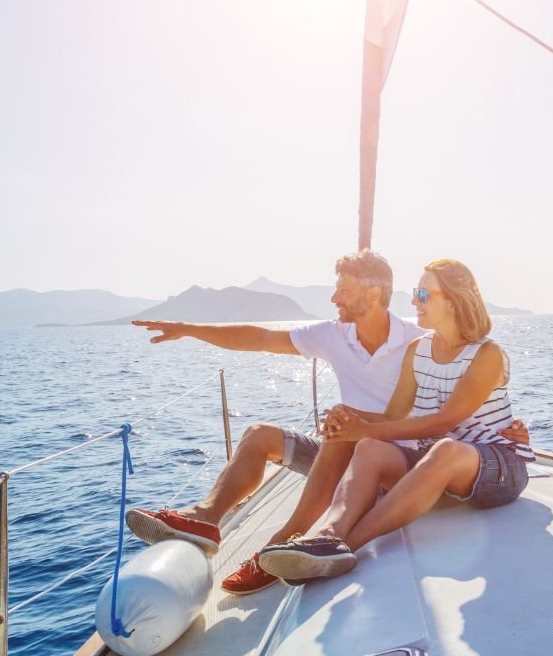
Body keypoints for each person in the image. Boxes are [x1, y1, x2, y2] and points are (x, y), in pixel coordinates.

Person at [128, 250, 424, 594]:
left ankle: (282, 543)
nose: (334, 298)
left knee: (341, 430)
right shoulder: (335, 334)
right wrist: (189, 330)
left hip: (391, 469)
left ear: (373, 295)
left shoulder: (418, 341)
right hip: (343, 455)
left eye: (344, 290)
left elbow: (449, 408)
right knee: (260, 435)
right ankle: (205, 518)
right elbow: (261, 338)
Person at [257, 258, 533, 583]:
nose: (414, 301)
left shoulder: (487, 354)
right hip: (436, 467)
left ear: (454, 299)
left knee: (445, 449)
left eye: (423, 294)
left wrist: (364, 427)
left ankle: (345, 546)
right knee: (370, 447)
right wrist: (350, 419)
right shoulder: (418, 349)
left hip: (497, 469)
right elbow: (392, 416)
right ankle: (329, 534)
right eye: (415, 292)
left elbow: (443, 422)